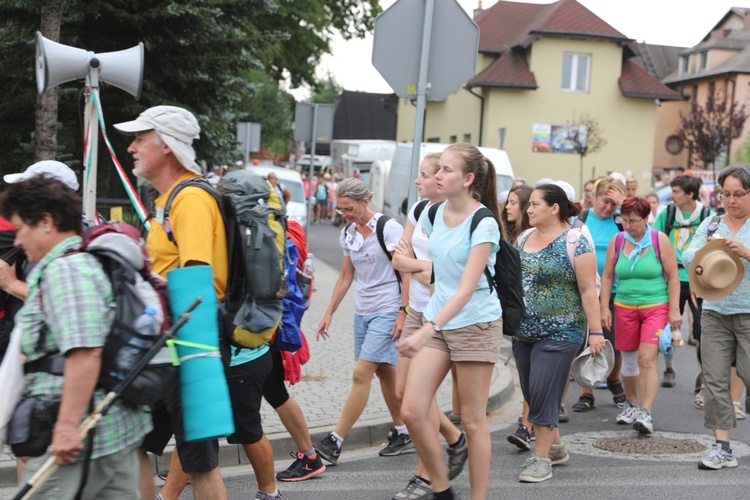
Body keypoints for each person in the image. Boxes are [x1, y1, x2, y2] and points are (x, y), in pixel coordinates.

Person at [114, 105, 236, 500]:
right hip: (169, 343)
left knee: (200, 464)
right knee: (131, 441)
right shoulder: (170, 199)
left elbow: (195, 280)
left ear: (166, 146)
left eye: (140, 138)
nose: (132, 147)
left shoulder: (191, 200)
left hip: (193, 342)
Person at [2, 176, 151, 499]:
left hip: (79, 437)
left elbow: (86, 351)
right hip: (103, 433)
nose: (17, 241)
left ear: (46, 221)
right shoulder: (74, 264)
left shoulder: (67, 271)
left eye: (20, 228)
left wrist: (67, 428)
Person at [398, 143, 503, 500]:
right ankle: (442, 490)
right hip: (438, 321)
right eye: (437, 169)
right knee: (412, 409)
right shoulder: (432, 212)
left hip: (476, 324)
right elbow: (409, 251)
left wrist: (426, 329)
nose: (437, 175)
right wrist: (409, 262)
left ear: (468, 179)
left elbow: (464, 289)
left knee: (472, 420)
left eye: (445, 170)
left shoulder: (484, 221)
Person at [314, 178, 411, 464]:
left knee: (361, 373)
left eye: (349, 208)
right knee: (384, 372)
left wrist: (404, 311)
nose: (346, 214)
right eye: (341, 210)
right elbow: (346, 276)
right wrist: (329, 311)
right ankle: (403, 430)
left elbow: (405, 272)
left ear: (364, 201)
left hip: (388, 308)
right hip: (363, 311)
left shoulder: (388, 228)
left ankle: (335, 440)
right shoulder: (347, 234)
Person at [513, 184, 603, 483]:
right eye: (529, 205)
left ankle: (541, 460)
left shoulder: (576, 242)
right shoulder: (524, 238)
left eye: (535, 204)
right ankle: (557, 447)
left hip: (563, 331)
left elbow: (589, 290)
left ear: (554, 208)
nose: (529, 209)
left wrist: (596, 332)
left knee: (543, 391)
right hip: (524, 332)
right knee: (532, 391)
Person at [390, 153, 467, 499]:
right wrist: (405, 305)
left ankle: (427, 477)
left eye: (423, 176)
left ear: (441, 179)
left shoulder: (451, 218)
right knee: (401, 394)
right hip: (417, 310)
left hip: (439, 318)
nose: (418, 183)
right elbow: (399, 260)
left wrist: (417, 265)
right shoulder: (418, 209)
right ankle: (454, 438)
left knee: (417, 404)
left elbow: (442, 276)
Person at [683, 165, 750, 470]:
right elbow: (688, 254)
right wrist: (706, 252)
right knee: (715, 380)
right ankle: (721, 447)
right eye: (726, 194)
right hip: (714, 312)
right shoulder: (711, 224)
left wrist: (746, 252)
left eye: (738, 194)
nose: (731, 200)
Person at [600, 197, 682, 434]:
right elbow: (606, 276)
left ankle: (646, 412)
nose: (628, 225)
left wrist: (674, 309)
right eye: (624, 220)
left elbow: (674, 277)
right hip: (624, 307)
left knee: (646, 359)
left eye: (634, 221)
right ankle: (632, 404)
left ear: (646, 219)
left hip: (655, 307)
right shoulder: (617, 241)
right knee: (628, 360)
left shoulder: (659, 240)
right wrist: (605, 307)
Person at [652, 175, 713, 394]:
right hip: (670, 278)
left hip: (700, 280)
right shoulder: (667, 214)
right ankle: (669, 368)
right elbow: (654, 241)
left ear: (690, 194)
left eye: (676, 191)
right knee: (668, 326)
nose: (672, 196)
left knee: (701, 329)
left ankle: (702, 374)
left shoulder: (708, 216)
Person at [572, 177, 628, 412]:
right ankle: (587, 392)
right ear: (594, 197)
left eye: (613, 204)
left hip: (614, 292)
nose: (608, 207)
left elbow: (641, 235)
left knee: (613, 343)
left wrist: (623, 206)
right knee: (586, 342)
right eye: (605, 201)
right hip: (584, 291)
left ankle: (614, 380)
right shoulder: (580, 221)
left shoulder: (620, 222)